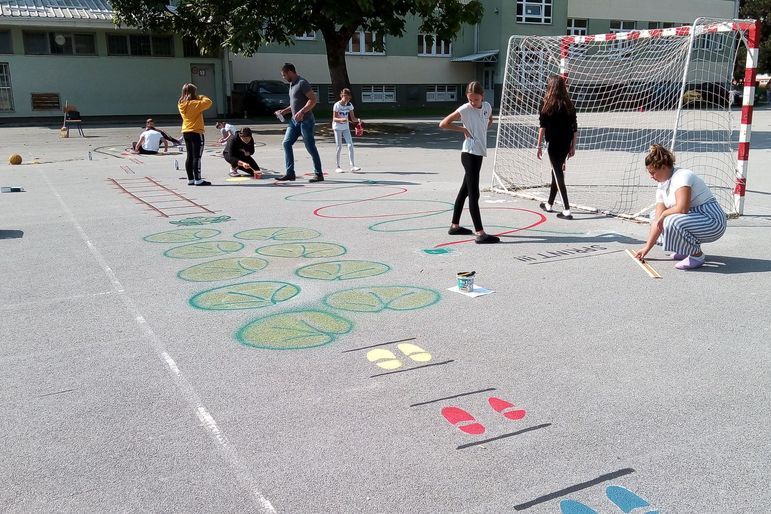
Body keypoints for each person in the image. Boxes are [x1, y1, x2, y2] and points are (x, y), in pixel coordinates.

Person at [634, 144, 727, 270]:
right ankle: (684, 249)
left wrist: (663, 215)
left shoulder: (682, 176)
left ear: (663, 167)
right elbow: (657, 219)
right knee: (654, 216)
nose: (651, 177)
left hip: (712, 220)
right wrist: (646, 248)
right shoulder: (662, 186)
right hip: (695, 218)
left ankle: (697, 256)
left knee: (671, 220)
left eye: (653, 173)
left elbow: (682, 208)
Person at [438, 81, 500, 244]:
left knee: (464, 191)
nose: (473, 103)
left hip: (478, 153)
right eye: (470, 99)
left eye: (476, 100)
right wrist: (464, 129)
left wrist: (483, 127)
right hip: (469, 153)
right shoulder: (464, 109)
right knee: (474, 193)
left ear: (482, 97)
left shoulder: (486, 106)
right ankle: (480, 233)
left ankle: (455, 226)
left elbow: (489, 118)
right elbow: (444, 123)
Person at [536, 75, 578, 220]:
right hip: (565, 142)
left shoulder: (546, 104)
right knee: (556, 171)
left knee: (558, 172)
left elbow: (542, 127)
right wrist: (573, 146)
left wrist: (538, 145)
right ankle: (549, 204)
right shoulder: (569, 104)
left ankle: (566, 209)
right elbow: (574, 128)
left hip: (553, 143)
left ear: (550, 87)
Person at [274, 63, 324, 183]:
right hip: (294, 121)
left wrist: (302, 111)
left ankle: (319, 174)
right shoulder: (292, 84)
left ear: (290, 72)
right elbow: (295, 103)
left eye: (284, 75)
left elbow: (313, 100)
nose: (283, 77)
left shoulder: (302, 83)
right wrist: (284, 111)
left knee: (310, 146)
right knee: (286, 143)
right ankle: (290, 173)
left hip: (306, 120)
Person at [178, 83, 212, 186]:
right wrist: (200, 96)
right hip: (196, 131)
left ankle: (190, 179)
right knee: (197, 156)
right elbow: (209, 102)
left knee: (189, 156)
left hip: (186, 131)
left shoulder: (181, 103)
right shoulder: (195, 103)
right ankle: (198, 179)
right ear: (193, 93)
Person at [332, 88, 361, 173]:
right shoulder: (337, 105)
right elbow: (334, 118)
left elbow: (352, 118)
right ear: (342, 96)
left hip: (345, 128)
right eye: (344, 97)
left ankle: (352, 166)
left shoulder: (349, 105)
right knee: (339, 146)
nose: (346, 99)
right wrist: (342, 120)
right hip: (337, 128)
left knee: (350, 145)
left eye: (348, 97)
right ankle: (337, 166)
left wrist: (358, 120)